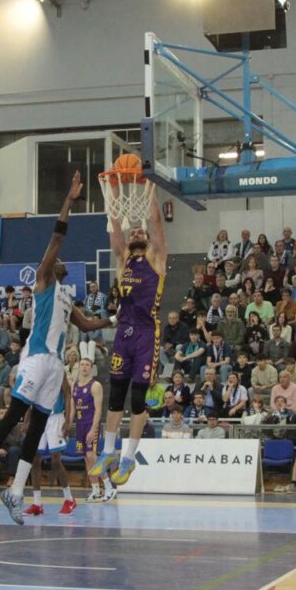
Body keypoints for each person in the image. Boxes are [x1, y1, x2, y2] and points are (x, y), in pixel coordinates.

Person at [0, 173, 110, 524]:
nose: (59, 259)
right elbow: (57, 237)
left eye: (60, 260)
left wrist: (116, 317)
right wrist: (69, 201)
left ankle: (16, 493)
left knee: (37, 427)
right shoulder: (43, 279)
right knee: (14, 415)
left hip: (55, 365)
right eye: (55, 258)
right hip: (37, 358)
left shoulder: (66, 298)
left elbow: (88, 325)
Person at [90, 167, 169, 488]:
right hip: (123, 333)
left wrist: (149, 188)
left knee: (137, 399)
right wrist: (113, 193)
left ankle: (128, 457)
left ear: (147, 240)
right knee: (116, 395)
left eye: (140, 231)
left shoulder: (157, 258)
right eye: (133, 231)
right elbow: (115, 230)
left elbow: (156, 224)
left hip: (146, 334)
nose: (136, 231)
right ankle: (108, 451)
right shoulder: (123, 260)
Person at [25, 374, 77, 516]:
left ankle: (69, 499)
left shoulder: (59, 371)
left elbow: (67, 395)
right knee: (35, 460)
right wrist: (26, 421)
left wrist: (67, 421)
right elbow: (30, 398)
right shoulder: (37, 370)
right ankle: (37, 503)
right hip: (38, 418)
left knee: (55, 461)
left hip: (56, 418)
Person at [72, 358, 113, 503]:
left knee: (92, 456)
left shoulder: (95, 386)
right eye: (82, 364)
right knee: (86, 458)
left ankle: (108, 487)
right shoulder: (75, 385)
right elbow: (73, 407)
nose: (84, 367)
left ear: (91, 368)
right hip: (80, 425)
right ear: (79, 367)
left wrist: (93, 429)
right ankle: (96, 491)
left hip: (91, 424)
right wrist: (67, 424)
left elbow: (98, 410)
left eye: (87, 365)